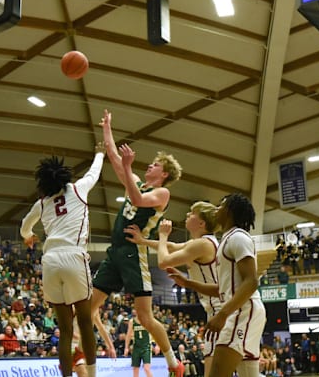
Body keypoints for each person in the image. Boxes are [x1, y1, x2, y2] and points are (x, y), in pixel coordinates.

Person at [90, 109, 184, 377]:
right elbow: (113, 155)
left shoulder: (162, 193)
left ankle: (173, 361)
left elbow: (139, 201)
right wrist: (108, 126)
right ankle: (83, 353)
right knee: (88, 309)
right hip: (115, 253)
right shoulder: (138, 183)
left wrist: (129, 168)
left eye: (155, 165)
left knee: (144, 317)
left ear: (164, 174)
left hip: (134, 254)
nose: (149, 166)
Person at [20, 142, 105, 377]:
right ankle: (93, 374)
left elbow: (24, 227)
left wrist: (29, 237)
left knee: (65, 330)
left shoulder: (42, 203)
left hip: (50, 261)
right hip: (73, 256)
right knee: (85, 323)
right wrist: (99, 152)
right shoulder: (78, 189)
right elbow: (94, 172)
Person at [126, 201, 221, 376]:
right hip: (215, 308)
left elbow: (163, 261)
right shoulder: (199, 243)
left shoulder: (202, 244)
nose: (187, 215)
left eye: (192, 213)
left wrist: (163, 235)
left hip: (222, 308)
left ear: (202, 223)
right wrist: (142, 241)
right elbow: (171, 248)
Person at [175, 193, 265, 377]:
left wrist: (222, 315)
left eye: (221, 205)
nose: (216, 209)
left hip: (242, 312)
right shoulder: (227, 240)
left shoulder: (238, 237)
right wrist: (187, 282)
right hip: (242, 311)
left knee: (216, 373)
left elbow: (252, 281)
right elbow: (221, 290)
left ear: (230, 211)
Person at [124, 310, 153, 377]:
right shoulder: (132, 321)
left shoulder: (147, 320)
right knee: (135, 369)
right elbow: (128, 335)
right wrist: (126, 347)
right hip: (136, 347)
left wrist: (157, 345)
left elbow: (154, 332)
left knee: (146, 368)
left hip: (146, 347)